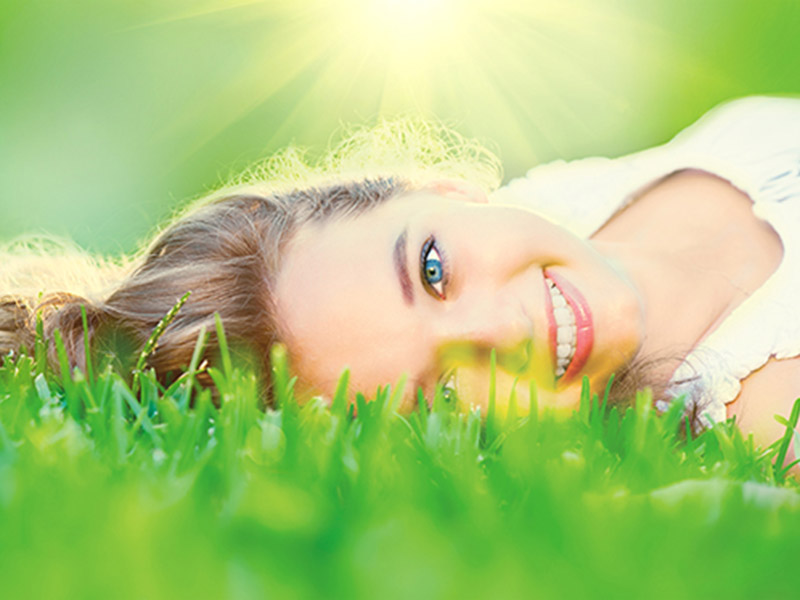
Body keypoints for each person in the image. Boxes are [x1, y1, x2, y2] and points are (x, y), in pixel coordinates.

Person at [1, 97, 799, 453]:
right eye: (440, 391)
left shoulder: (566, 195)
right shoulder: (768, 415)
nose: (500, 330)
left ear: (437, 187)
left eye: (433, 270)